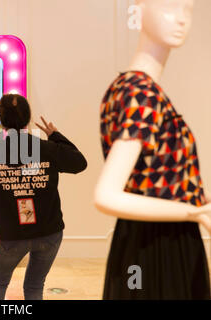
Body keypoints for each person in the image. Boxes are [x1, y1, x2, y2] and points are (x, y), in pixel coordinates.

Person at [94, 0, 211, 299]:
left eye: (188, 9)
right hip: (158, 247)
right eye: (170, 5)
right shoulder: (140, 92)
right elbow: (106, 195)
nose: (182, 18)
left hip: (147, 240)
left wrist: (197, 203)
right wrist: (193, 212)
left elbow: (160, 177)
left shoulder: (131, 88)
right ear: (138, 9)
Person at [0, 94, 87, 300]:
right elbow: (79, 162)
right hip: (49, 233)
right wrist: (56, 136)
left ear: (0, 121)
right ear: (28, 119)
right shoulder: (46, 148)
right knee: (35, 286)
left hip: (11, 236)